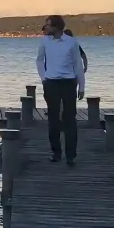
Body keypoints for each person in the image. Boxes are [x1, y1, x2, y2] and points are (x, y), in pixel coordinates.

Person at [36, 15, 86, 166]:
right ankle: (56, 153)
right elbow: (39, 60)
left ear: (56, 27)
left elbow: (78, 64)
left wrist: (82, 86)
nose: (45, 28)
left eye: (48, 25)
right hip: (51, 83)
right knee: (53, 119)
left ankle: (70, 155)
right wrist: (43, 78)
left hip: (69, 83)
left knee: (70, 119)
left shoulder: (71, 42)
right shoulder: (44, 41)